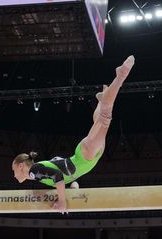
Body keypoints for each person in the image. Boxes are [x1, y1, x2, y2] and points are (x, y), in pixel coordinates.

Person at [11, 55, 135, 213]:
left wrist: (62, 201)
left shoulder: (34, 170)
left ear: (21, 166)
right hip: (88, 159)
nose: (14, 175)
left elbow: (58, 175)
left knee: (105, 116)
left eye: (14, 170)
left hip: (83, 157)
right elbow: (61, 172)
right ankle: (102, 98)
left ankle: (120, 76)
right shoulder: (38, 174)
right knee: (100, 118)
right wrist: (72, 188)